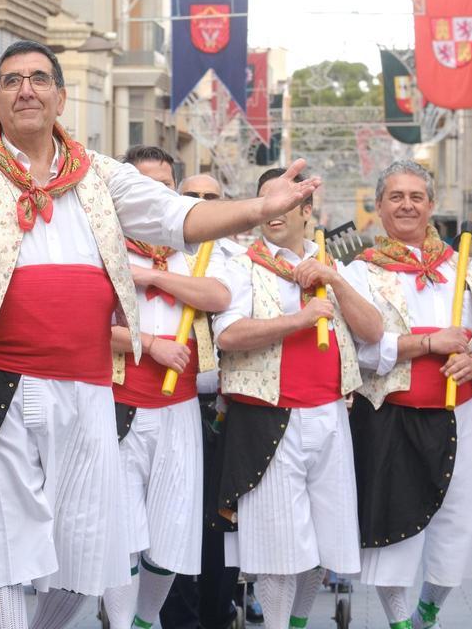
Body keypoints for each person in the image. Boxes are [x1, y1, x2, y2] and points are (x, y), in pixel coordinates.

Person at [0, 39, 319, 629]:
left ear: (60, 96)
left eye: (38, 78)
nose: (25, 89)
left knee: (86, 561)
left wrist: (258, 208)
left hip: (87, 390)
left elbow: (181, 217)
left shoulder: (102, 175)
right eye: (11, 80)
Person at [342, 160, 472, 629]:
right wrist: (428, 343)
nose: (407, 205)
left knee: (460, 525)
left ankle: (426, 614)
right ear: (378, 206)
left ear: (431, 205)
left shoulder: (463, 267)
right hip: (391, 415)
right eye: (396, 197)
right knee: (394, 531)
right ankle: (399, 623)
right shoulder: (360, 273)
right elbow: (359, 351)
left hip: (461, 413)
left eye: (416, 197)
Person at [215, 168, 381, 629]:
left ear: (307, 211)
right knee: (277, 548)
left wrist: (334, 281)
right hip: (267, 418)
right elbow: (228, 335)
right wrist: (300, 320)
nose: (274, 212)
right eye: (266, 202)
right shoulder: (240, 265)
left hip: (330, 414)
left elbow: (373, 332)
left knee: (325, 543)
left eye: (287, 202)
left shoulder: (336, 267)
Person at [101, 146, 233, 629]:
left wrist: (153, 275)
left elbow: (219, 295)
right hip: (119, 402)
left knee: (171, 532)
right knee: (122, 531)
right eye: (144, 184)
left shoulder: (195, 248)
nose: (155, 194)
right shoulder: (101, 243)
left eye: (164, 186)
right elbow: (83, 325)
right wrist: (151, 345)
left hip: (180, 406)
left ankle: (144, 620)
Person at [159, 173, 245, 629]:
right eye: (191, 196)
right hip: (170, 402)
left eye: (211, 197)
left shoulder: (240, 259)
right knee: (175, 519)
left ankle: (218, 613)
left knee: (220, 522)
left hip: (224, 405)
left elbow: (223, 302)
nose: (201, 202)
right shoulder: (160, 252)